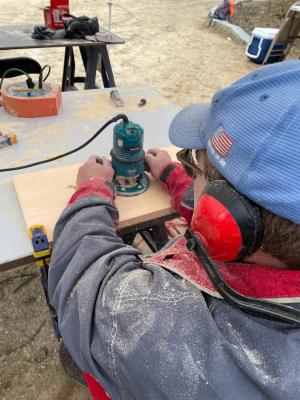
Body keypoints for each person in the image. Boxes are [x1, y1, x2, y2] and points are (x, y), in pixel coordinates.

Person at [49, 60, 300, 400]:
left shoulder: (162, 335)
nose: (190, 169)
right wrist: (174, 175)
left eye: (194, 163)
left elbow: (85, 283)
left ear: (225, 216)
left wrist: (91, 191)